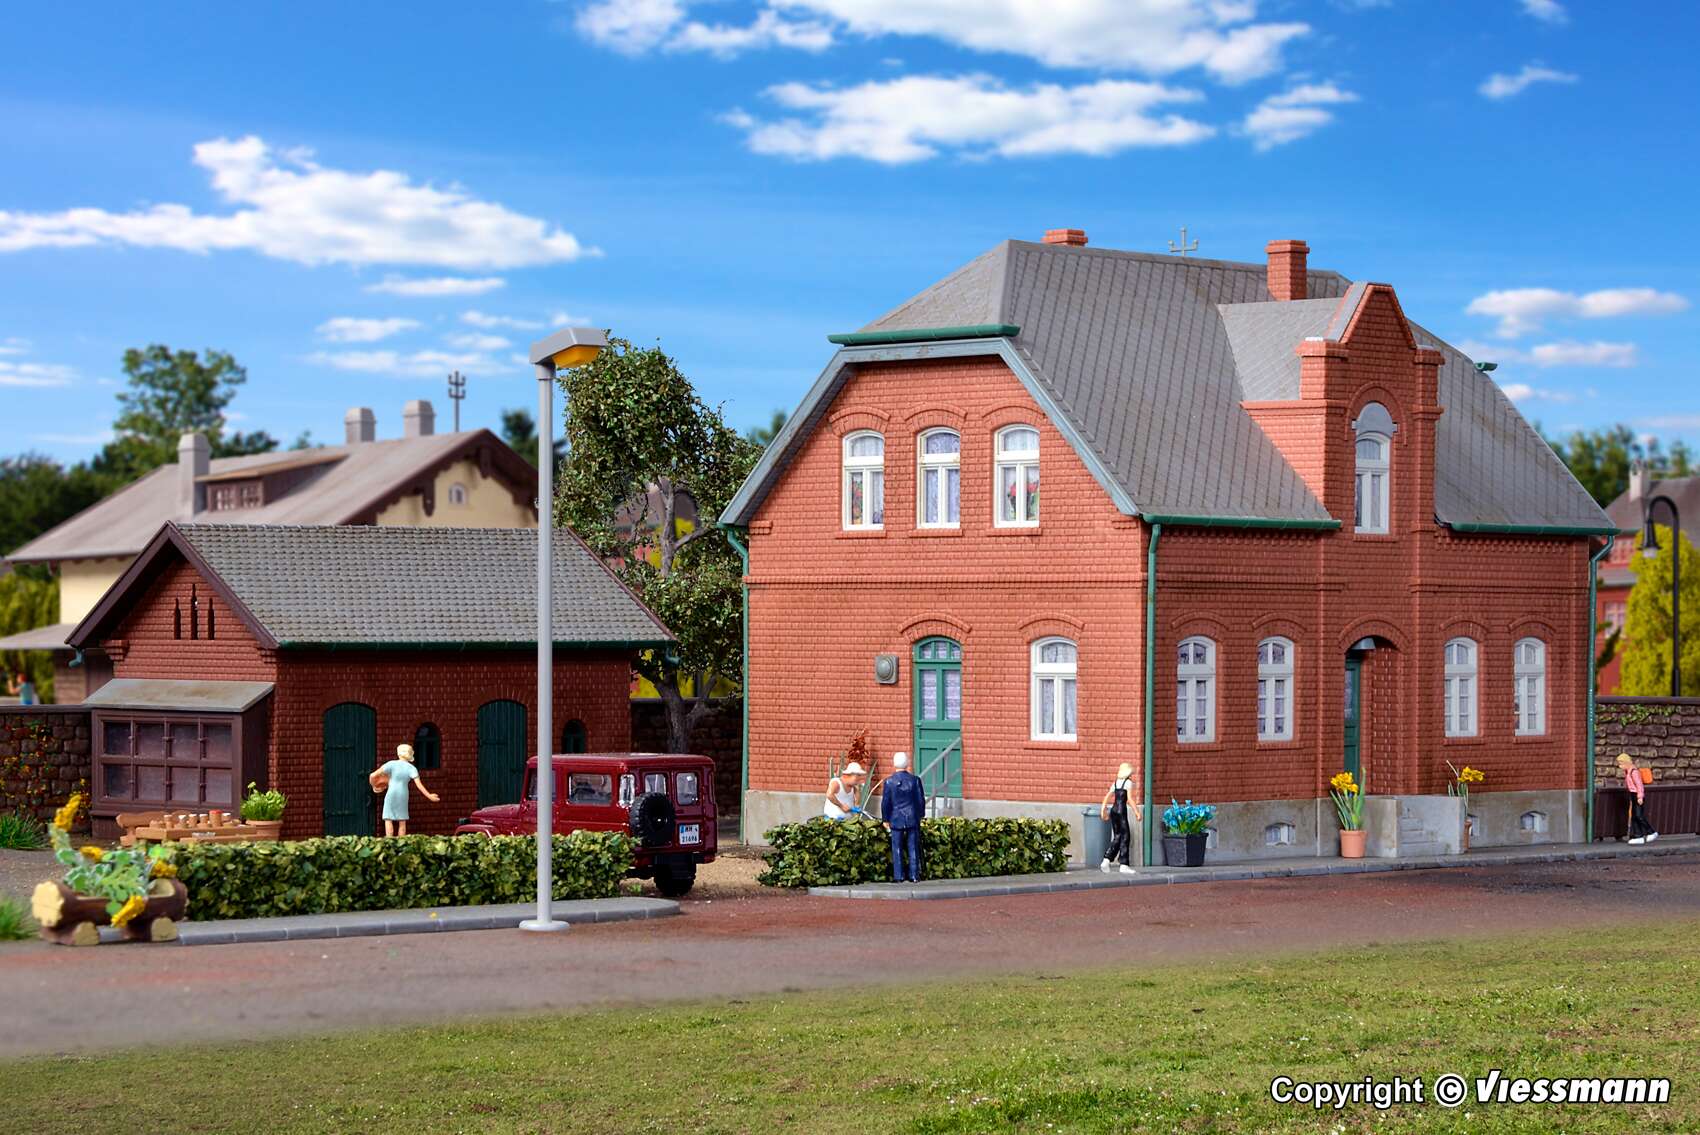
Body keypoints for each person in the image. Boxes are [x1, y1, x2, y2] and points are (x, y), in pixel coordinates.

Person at [375, 743, 439, 837]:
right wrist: (429, 796)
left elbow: (375, 774)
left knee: (388, 818)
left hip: (391, 793)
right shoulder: (412, 768)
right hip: (403, 794)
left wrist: (375, 785)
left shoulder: (391, 764)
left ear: (399, 753)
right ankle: (401, 842)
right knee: (402, 820)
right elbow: (419, 785)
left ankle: (389, 841)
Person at [880, 751, 926, 883]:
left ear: (894, 764)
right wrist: (920, 815)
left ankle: (898, 876)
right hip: (912, 816)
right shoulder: (915, 780)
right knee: (913, 846)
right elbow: (920, 800)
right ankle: (914, 875)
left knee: (897, 847)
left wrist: (885, 818)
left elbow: (886, 802)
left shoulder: (889, 782)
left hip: (895, 817)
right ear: (907, 764)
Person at [1099, 761, 1137, 875]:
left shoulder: (1116, 782)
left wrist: (1103, 809)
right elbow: (1129, 799)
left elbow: (1107, 796)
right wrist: (1136, 811)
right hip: (1121, 811)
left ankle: (1106, 860)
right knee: (1125, 836)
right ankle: (1124, 864)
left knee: (1117, 836)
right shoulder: (1128, 783)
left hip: (1113, 811)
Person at [1617, 752, 1658, 845]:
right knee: (1634, 816)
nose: (1620, 766)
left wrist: (1640, 797)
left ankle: (1651, 832)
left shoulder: (1634, 772)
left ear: (1626, 762)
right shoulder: (1628, 772)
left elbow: (1639, 785)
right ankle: (1638, 835)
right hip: (1632, 794)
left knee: (1639, 815)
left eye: (1621, 763)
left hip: (1637, 795)